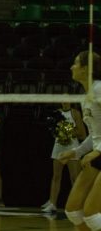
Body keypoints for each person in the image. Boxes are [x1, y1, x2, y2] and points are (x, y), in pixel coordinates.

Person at [59, 51, 101, 230]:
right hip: (96, 153)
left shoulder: (99, 89)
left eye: (76, 63)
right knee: (74, 212)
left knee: (92, 215)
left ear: (85, 69)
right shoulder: (86, 97)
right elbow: (95, 134)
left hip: (98, 153)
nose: (71, 67)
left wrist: (97, 151)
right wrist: (76, 152)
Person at [41, 102, 85, 214]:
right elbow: (54, 131)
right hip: (59, 146)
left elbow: (82, 133)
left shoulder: (75, 113)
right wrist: (55, 130)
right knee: (56, 176)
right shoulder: (57, 113)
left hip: (72, 147)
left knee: (74, 178)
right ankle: (52, 203)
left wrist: (66, 129)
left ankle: (78, 205)